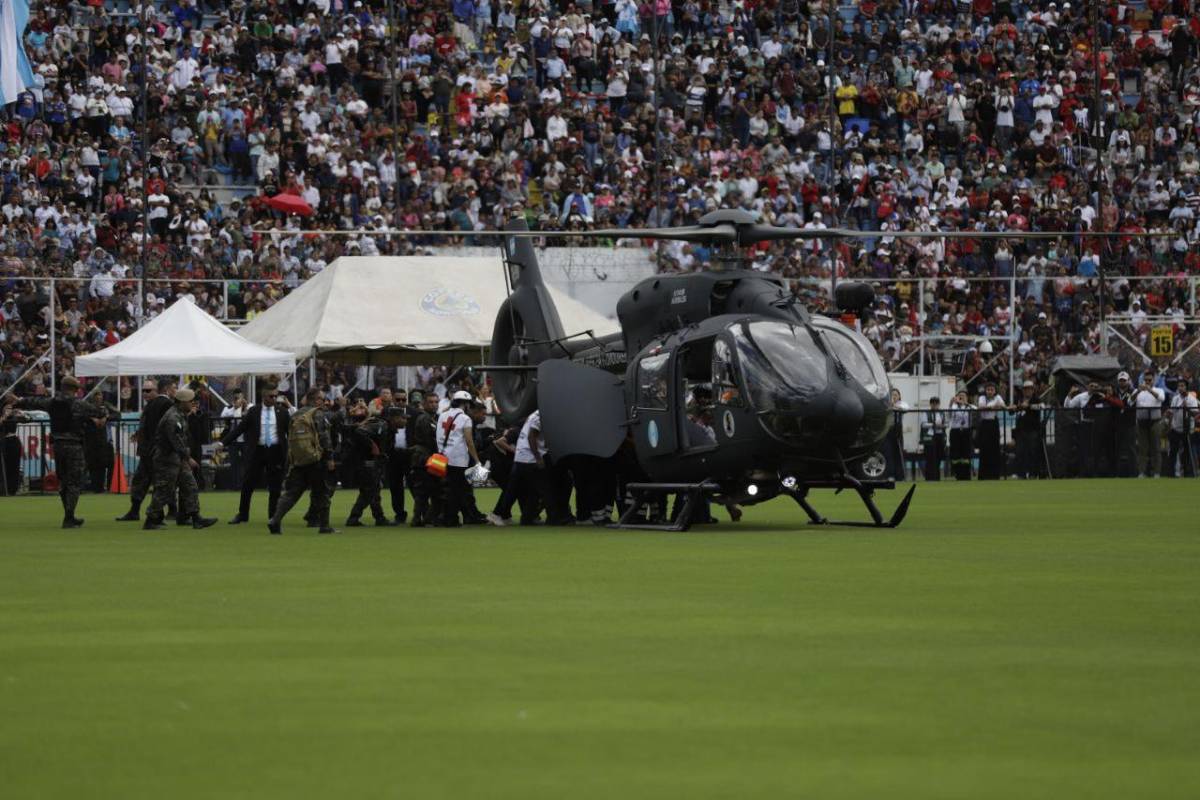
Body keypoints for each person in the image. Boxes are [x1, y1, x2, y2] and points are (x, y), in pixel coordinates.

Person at [16, 376, 108, 528]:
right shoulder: (77, 404)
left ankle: (68, 513)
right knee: (74, 482)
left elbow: (33, 402)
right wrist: (103, 411)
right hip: (74, 446)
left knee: (64, 481)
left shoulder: (52, 402)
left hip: (58, 446)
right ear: (74, 389)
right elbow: (98, 412)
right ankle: (69, 516)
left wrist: (18, 400)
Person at [142, 388, 217, 530]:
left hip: (176, 458)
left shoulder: (180, 415)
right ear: (182, 402)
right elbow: (176, 441)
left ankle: (195, 517)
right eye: (190, 401)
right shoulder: (173, 418)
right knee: (164, 490)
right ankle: (151, 519)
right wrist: (187, 458)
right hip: (166, 459)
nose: (193, 404)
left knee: (190, 485)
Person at [268, 387, 337, 534]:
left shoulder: (297, 414)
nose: (325, 402)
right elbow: (324, 437)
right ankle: (324, 526)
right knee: (323, 492)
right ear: (316, 400)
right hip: (316, 459)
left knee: (291, 493)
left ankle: (275, 520)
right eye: (323, 399)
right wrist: (330, 458)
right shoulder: (317, 414)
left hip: (298, 460)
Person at [221, 383, 290, 524]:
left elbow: (291, 432)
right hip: (257, 451)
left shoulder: (282, 412)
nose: (274, 399)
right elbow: (239, 429)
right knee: (248, 484)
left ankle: (273, 517)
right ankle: (242, 514)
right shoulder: (254, 411)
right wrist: (223, 443)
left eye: (276, 396)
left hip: (276, 451)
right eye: (272, 396)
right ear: (264, 396)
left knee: (275, 486)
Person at [117, 379, 175, 521]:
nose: (145, 393)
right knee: (142, 482)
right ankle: (136, 510)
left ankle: (169, 510)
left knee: (159, 482)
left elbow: (163, 427)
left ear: (158, 390)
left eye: (148, 390)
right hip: (147, 450)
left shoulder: (162, 404)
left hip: (155, 450)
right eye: (143, 390)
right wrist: (139, 434)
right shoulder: (151, 406)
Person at [488, 409, 551, 526]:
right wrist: (535, 456)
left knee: (514, 490)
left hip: (517, 460)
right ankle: (509, 515)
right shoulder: (517, 431)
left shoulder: (527, 422)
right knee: (530, 490)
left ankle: (503, 515)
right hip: (518, 460)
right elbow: (500, 442)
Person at [343, 400, 395, 527]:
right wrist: (373, 446)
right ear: (394, 418)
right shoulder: (381, 424)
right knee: (369, 490)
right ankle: (354, 517)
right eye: (402, 418)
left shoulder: (384, 425)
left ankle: (379, 517)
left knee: (374, 490)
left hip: (368, 461)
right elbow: (359, 432)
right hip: (368, 462)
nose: (404, 421)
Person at [437, 390, 484, 527]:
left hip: (443, 457)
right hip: (458, 459)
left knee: (447, 489)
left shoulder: (442, 415)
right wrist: (476, 459)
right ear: (466, 404)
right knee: (457, 491)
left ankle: (446, 517)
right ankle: (451, 519)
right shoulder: (465, 419)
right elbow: (469, 441)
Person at [407, 392, 444, 527]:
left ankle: (424, 518)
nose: (434, 404)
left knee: (431, 490)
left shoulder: (434, 418)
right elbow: (430, 440)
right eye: (430, 402)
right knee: (425, 490)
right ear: (424, 403)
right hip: (425, 457)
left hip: (430, 457)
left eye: (435, 402)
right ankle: (422, 518)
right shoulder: (424, 419)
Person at [1132, 373, 1166, 477]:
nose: (1147, 382)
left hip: (1155, 421)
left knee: (1156, 447)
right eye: (1146, 380)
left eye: (1149, 380)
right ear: (1143, 380)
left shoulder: (1159, 390)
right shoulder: (1138, 391)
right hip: (1142, 421)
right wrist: (1138, 390)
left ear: (1153, 380)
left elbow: (1161, 398)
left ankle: (1156, 472)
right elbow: (1130, 401)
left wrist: (1150, 390)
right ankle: (1142, 472)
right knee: (1142, 448)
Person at [384, 391, 409, 524]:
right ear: (393, 399)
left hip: (409, 454)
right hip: (393, 455)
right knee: (395, 486)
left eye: (403, 399)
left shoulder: (414, 413)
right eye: (398, 399)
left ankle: (422, 513)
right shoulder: (386, 413)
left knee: (416, 485)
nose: (400, 402)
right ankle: (399, 514)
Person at [1011, 381, 1045, 479]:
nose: (1027, 391)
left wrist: (1029, 406)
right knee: (1020, 452)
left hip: (1033, 430)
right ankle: (1021, 474)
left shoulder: (1036, 399)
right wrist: (1013, 407)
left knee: (1033, 452)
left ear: (1033, 390)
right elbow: (1012, 412)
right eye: (1025, 389)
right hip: (1021, 430)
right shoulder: (1019, 399)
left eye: (1029, 389)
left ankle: (1033, 474)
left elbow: (1042, 407)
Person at [1166, 379, 1199, 477]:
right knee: (1173, 452)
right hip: (1176, 428)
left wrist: (1187, 408)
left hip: (1187, 429)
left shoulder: (1192, 399)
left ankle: (1187, 474)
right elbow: (1172, 413)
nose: (1180, 388)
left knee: (1186, 453)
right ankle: (1171, 475)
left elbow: (1196, 414)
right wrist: (1169, 423)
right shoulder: (1175, 398)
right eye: (1179, 386)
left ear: (1186, 387)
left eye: (1182, 386)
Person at [976, 383, 1005, 479]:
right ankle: (983, 475)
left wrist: (991, 407)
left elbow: (1002, 406)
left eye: (991, 389)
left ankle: (994, 475)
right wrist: (991, 407)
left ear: (994, 391)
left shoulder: (998, 397)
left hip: (993, 424)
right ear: (985, 390)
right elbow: (981, 408)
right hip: (984, 424)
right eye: (988, 389)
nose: (989, 391)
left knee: (994, 449)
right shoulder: (982, 398)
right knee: (984, 449)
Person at [1, 395, 29, 495]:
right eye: (7, 408)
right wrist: (4, 416)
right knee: (4, 467)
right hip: (3, 442)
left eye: (10, 408)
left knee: (14, 466)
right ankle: (4, 489)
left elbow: (28, 419)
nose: (9, 409)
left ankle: (13, 489)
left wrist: (21, 414)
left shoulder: (14, 415)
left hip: (13, 441)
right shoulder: (2, 416)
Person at [947, 390, 974, 480]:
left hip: (966, 431)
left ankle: (966, 474)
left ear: (967, 397)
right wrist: (951, 403)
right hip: (955, 431)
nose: (961, 397)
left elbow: (976, 410)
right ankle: (957, 474)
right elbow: (949, 415)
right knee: (956, 453)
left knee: (966, 453)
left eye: (963, 396)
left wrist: (966, 403)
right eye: (960, 396)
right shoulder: (954, 406)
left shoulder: (969, 406)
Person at [884, 387, 910, 481]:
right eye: (892, 395)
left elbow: (906, 408)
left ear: (899, 396)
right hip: (888, 431)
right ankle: (890, 474)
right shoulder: (886, 404)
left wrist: (893, 406)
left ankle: (900, 475)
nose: (894, 396)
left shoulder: (902, 404)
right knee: (888, 452)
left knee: (898, 452)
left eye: (896, 395)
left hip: (897, 430)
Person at [920, 396, 946, 481]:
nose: (935, 405)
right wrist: (933, 424)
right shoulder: (926, 413)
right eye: (933, 403)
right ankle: (929, 478)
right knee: (930, 458)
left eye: (936, 403)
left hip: (939, 436)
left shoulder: (942, 413)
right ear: (930, 404)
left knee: (938, 457)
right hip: (930, 437)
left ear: (939, 404)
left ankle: (937, 477)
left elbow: (946, 423)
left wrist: (942, 425)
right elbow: (924, 424)